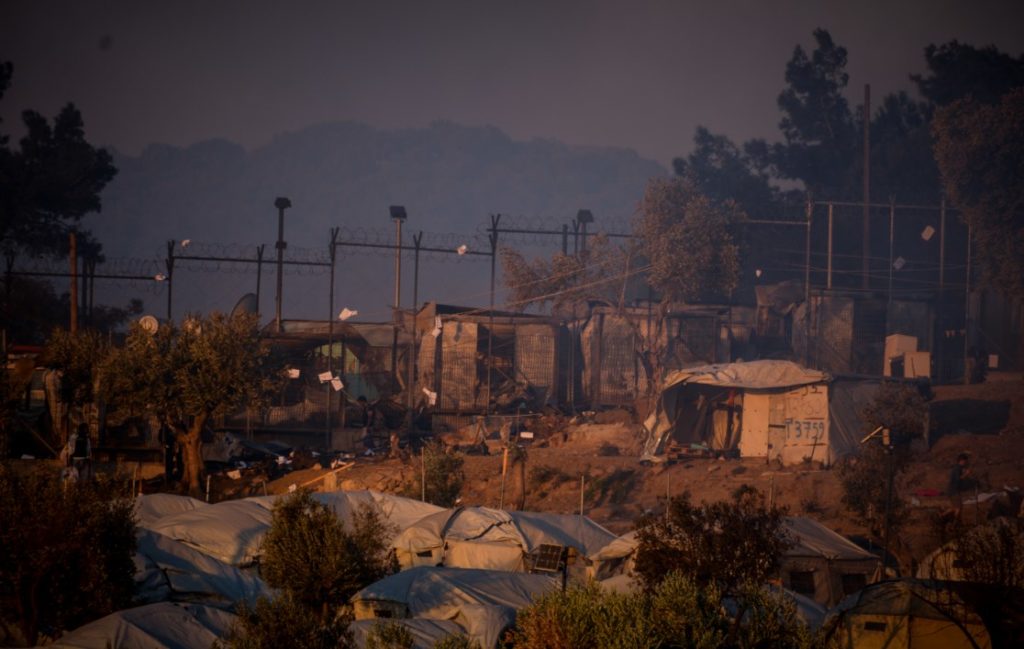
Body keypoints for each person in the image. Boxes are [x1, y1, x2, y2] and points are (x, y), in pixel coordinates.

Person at [947, 452, 973, 521]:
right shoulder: (957, 468)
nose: (966, 463)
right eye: (965, 461)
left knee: (955, 507)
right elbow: (958, 479)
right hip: (954, 491)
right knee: (959, 507)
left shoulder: (958, 468)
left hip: (953, 491)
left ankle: (940, 516)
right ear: (962, 461)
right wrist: (966, 474)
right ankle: (955, 523)